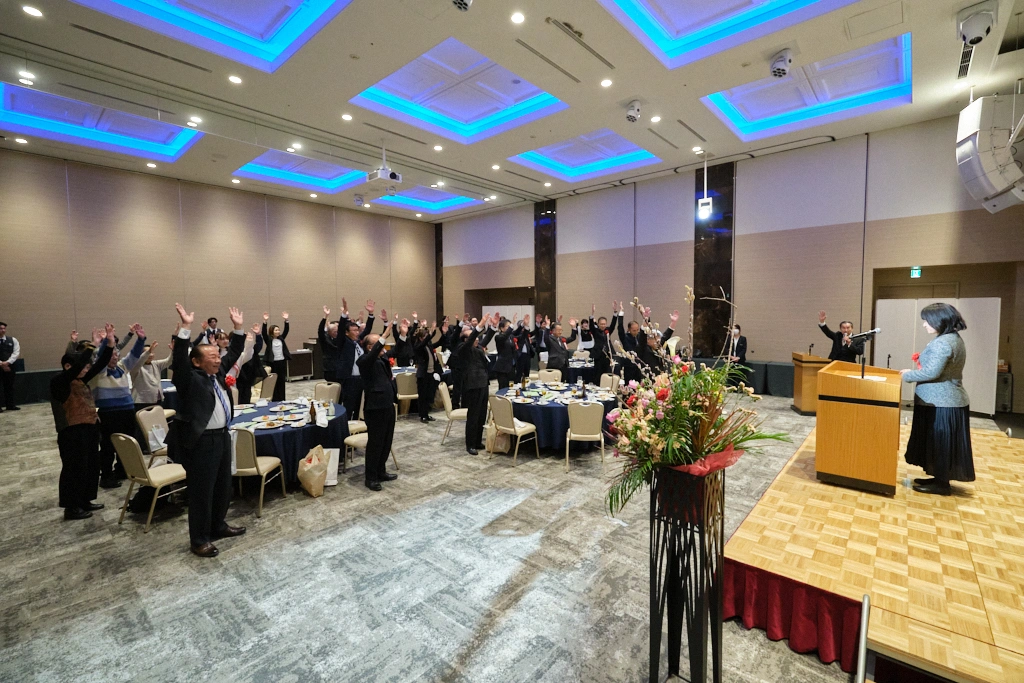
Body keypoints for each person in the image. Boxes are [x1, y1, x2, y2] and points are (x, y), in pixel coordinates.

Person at [170, 303, 247, 558]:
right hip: (202, 441)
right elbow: (179, 361)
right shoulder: (189, 379)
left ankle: (218, 525)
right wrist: (185, 328)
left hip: (222, 437)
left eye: (217, 355)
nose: (217, 359)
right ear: (196, 362)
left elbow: (234, 351)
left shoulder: (218, 373)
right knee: (202, 492)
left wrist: (238, 328)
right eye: (211, 356)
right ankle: (199, 539)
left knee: (224, 486)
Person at [900, 303, 974, 496]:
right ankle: (939, 478)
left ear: (939, 320)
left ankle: (941, 485)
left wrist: (907, 375)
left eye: (926, 320)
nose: (924, 324)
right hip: (946, 400)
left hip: (942, 402)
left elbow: (932, 372)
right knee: (938, 443)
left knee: (940, 443)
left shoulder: (943, 342)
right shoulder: (952, 338)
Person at [50, 324, 115, 520]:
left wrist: (109, 344)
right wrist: (92, 345)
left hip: (89, 429)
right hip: (71, 433)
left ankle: (85, 500)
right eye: (82, 366)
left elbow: (100, 364)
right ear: (67, 367)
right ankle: (71, 507)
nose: (86, 369)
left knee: (90, 466)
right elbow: (80, 366)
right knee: (74, 469)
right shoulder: (59, 381)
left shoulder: (81, 381)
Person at [91, 323, 148, 488]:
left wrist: (141, 339)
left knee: (127, 444)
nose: (115, 357)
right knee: (108, 446)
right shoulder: (99, 372)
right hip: (108, 413)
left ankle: (122, 470)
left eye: (116, 355)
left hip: (127, 411)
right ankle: (106, 476)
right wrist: (107, 342)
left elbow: (134, 355)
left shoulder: (122, 367)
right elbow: (102, 356)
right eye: (112, 355)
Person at [356, 316, 399, 491]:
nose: (383, 346)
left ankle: (381, 471)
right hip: (375, 408)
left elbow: (398, 349)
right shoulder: (364, 361)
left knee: (387, 441)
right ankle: (371, 477)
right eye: (379, 344)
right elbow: (373, 354)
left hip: (388, 405)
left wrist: (400, 333)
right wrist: (384, 335)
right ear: (369, 347)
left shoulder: (382, 359)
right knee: (376, 443)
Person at [459, 313, 497, 455]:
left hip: (483, 383)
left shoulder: (478, 348)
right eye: (473, 337)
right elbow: (471, 340)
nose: (476, 339)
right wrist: (479, 326)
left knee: (482, 414)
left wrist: (493, 327)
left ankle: (477, 441)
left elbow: (486, 339)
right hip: (473, 385)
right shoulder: (464, 349)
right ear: (466, 340)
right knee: (473, 415)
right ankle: (470, 444)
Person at [338, 299, 375, 419]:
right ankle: (347, 425)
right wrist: (344, 314)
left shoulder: (358, 341)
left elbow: (367, 329)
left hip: (361, 378)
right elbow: (340, 330)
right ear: (347, 333)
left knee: (359, 405)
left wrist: (370, 314)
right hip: (350, 379)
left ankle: (356, 424)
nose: (357, 332)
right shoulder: (344, 342)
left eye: (357, 330)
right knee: (349, 405)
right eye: (354, 331)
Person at [413, 319, 446, 423]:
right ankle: (422, 415)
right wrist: (430, 333)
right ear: (420, 338)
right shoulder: (418, 346)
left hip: (431, 373)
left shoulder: (428, 345)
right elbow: (423, 343)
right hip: (423, 374)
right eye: (424, 336)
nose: (426, 338)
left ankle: (427, 414)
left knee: (429, 395)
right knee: (422, 396)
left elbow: (439, 342)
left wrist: (443, 333)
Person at [131, 341, 173, 412]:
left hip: (157, 400)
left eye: (152, 352)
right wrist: (149, 351)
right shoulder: (136, 367)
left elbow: (168, 361)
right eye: (148, 353)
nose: (150, 354)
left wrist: (174, 351)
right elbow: (140, 361)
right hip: (142, 402)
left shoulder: (155, 364)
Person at [636, 310, 678, 374]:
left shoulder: (658, 347)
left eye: (658, 338)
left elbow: (666, 336)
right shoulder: (644, 348)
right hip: (649, 378)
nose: (657, 340)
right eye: (654, 338)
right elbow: (642, 337)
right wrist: (645, 321)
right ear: (648, 340)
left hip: (662, 377)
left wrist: (673, 323)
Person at [261, 311, 291, 401]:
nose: (278, 331)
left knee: (281, 381)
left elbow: (286, 330)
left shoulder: (281, 338)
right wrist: (265, 322)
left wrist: (286, 320)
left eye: (278, 330)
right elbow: (263, 333)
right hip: (273, 363)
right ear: (272, 331)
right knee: (274, 381)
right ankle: (274, 399)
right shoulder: (269, 340)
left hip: (281, 362)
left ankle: (282, 399)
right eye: (276, 330)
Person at [589, 304, 618, 378]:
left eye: (604, 324)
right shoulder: (595, 331)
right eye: (601, 324)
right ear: (598, 324)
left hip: (607, 355)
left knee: (607, 373)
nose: (603, 325)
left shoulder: (607, 330)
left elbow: (613, 325)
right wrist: (592, 314)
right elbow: (591, 326)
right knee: (598, 373)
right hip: (598, 355)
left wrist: (615, 312)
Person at [318, 306, 344, 383]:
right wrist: (325, 317)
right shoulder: (325, 339)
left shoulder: (339, 339)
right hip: (329, 368)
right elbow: (320, 331)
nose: (336, 333)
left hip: (340, 366)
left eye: (337, 331)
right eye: (334, 331)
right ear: (329, 332)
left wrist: (344, 315)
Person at [0, 321, 20, 412]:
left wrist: (7, 362)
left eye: (4, 328)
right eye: (1, 328)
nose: (3, 330)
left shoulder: (13, 340)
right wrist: (1, 364)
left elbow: (16, 352)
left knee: (9, 386)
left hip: (10, 367)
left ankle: (10, 405)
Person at [493, 314, 518, 389]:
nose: (510, 328)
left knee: (511, 387)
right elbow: (505, 336)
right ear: (502, 328)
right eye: (508, 326)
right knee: (503, 387)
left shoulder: (511, 337)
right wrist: (512, 325)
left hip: (511, 365)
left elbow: (517, 332)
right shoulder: (498, 337)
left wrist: (524, 325)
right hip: (502, 367)